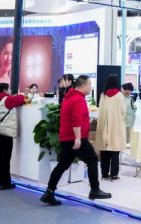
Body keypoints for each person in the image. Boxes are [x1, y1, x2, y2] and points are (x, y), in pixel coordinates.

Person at [41, 75, 111, 206]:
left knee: (62, 165)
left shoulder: (69, 97)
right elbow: (76, 120)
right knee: (92, 160)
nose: (90, 87)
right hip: (75, 138)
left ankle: (49, 192)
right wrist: (78, 138)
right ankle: (95, 190)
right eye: (89, 84)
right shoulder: (78, 99)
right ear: (83, 86)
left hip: (67, 137)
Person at [0, 83, 25, 190]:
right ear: (5, 90)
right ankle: (5, 183)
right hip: (6, 132)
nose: (10, 90)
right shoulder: (7, 99)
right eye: (9, 89)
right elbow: (21, 98)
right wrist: (19, 95)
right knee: (5, 158)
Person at [95, 75, 126, 182]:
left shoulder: (103, 95)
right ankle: (114, 175)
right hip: (115, 125)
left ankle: (104, 174)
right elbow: (123, 110)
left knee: (104, 151)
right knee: (115, 150)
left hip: (104, 125)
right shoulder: (119, 95)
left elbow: (101, 109)